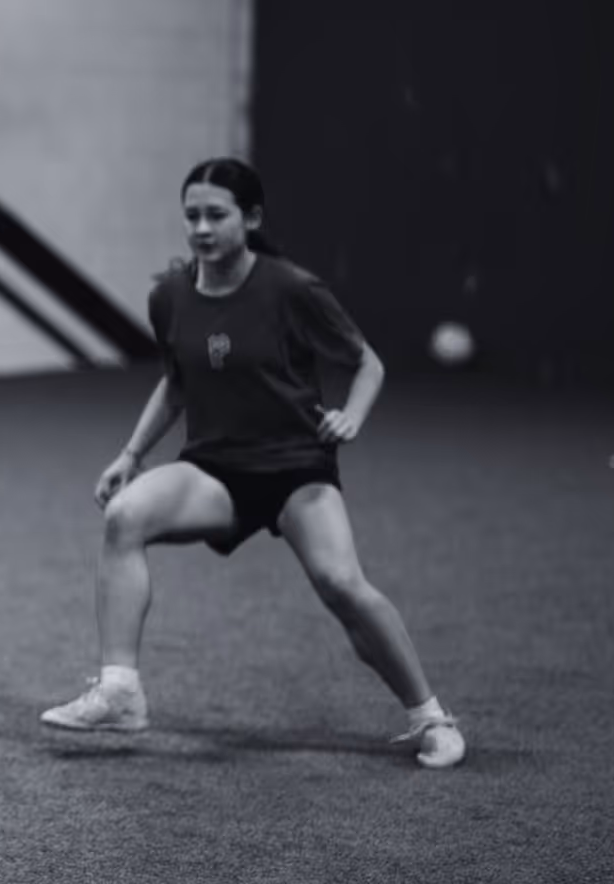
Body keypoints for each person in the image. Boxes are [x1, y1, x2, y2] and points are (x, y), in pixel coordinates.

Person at [40, 158, 464, 769]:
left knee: (342, 587)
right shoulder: (171, 295)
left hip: (297, 470)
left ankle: (431, 718)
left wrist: (351, 416)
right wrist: (131, 456)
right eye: (192, 216)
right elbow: (176, 383)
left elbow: (367, 363)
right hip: (216, 469)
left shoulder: (291, 289)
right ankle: (120, 690)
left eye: (217, 215)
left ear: (252, 218)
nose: (202, 228)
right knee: (124, 517)